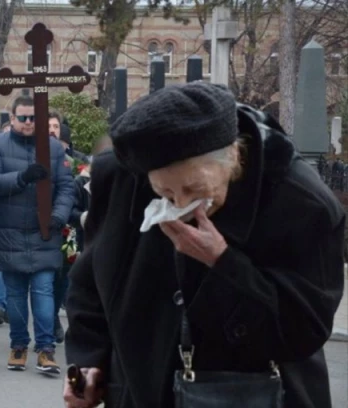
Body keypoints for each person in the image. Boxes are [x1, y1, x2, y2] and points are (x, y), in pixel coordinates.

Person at [64, 83, 345, 408]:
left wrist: (223, 262)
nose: (183, 205)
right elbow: (91, 285)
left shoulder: (302, 202)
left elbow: (306, 327)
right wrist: (87, 362)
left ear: (234, 156)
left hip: (257, 393)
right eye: (166, 194)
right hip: (141, 392)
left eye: (195, 188)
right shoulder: (121, 177)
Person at [0, 95, 74, 376]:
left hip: (44, 232)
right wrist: (23, 177)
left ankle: (46, 349)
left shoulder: (54, 149)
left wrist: (58, 216)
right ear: (12, 119)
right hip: (9, 232)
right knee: (17, 295)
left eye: (34, 118)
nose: (29, 123)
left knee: (45, 292)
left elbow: (67, 188)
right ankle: (18, 345)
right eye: (23, 118)